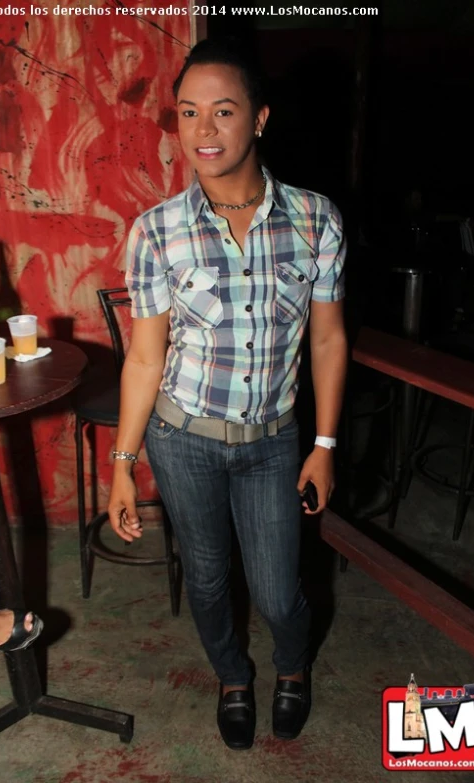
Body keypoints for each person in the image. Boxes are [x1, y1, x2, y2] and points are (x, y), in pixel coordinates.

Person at [107, 37, 347, 751]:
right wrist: (123, 460)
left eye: (223, 112)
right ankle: (233, 677)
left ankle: (293, 666)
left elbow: (329, 340)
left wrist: (324, 444)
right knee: (208, 581)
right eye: (188, 113)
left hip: (273, 439)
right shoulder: (156, 231)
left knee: (278, 591)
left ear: (261, 118)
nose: (203, 133)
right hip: (182, 441)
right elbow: (145, 359)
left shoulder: (315, 219)